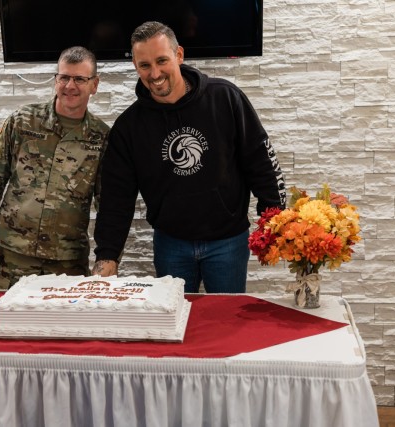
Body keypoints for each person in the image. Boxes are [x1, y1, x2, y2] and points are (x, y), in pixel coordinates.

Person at [92, 22, 286, 293]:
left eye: (162, 61)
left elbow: (261, 163)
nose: (155, 73)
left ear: (179, 55)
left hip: (228, 241)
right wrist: (107, 256)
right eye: (144, 65)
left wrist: (276, 222)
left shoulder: (226, 98)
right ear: (136, 66)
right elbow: (116, 198)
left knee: (227, 325)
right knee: (176, 327)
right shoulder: (128, 127)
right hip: (171, 245)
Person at [0, 46, 109, 288]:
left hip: (68, 261)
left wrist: (106, 256)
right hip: (14, 256)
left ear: (94, 85)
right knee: (11, 323)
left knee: (65, 326)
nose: (70, 86)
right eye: (64, 77)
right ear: (55, 80)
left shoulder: (101, 138)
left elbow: (107, 204)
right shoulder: (22, 122)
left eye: (79, 79)